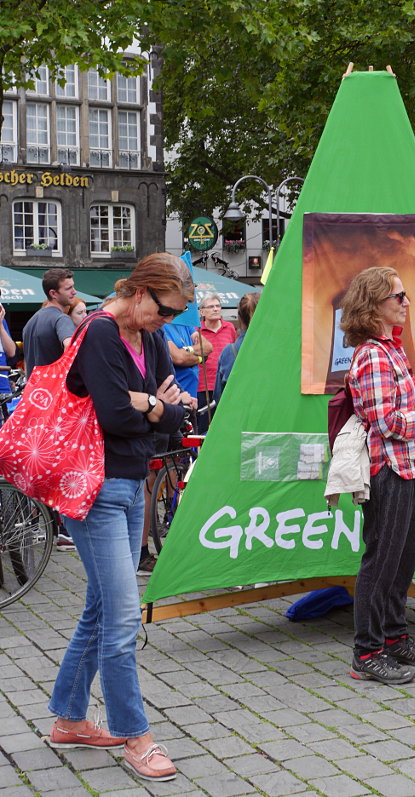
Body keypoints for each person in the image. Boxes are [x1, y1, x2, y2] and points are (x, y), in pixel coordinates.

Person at [47, 253, 192, 781]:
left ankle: (67, 719)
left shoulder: (149, 337)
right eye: (164, 309)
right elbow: (112, 414)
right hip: (95, 488)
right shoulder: (100, 333)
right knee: (124, 617)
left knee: (102, 606)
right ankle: (137, 737)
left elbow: (177, 414)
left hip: (133, 484)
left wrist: (150, 405)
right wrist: (154, 406)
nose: (166, 322)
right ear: (140, 292)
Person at [341, 266, 415, 685]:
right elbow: (387, 422)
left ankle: (394, 638)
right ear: (374, 305)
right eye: (399, 296)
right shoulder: (373, 354)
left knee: (402, 560)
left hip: (409, 465)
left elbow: (400, 414)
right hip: (388, 471)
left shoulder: (390, 349)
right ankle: (367, 652)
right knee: (381, 561)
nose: (407, 303)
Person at [22, 267, 76, 376]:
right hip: (55, 389)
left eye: (73, 286)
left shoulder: (30, 323)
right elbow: (70, 347)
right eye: (68, 288)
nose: (74, 291)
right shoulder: (62, 319)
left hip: (34, 390)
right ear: (53, 293)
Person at [162, 317, 211, 430]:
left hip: (191, 398)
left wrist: (187, 350)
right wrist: (200, 358)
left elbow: (207, 347)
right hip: (174, 397)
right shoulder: (162, 324)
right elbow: (178, 358)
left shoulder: (184, 323)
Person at [196, 292, 236, 431]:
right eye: (211, 306)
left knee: (226, 426)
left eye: (218, 306)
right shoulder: (197, 330)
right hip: (204, 387)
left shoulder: (229, 327)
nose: (215, 309)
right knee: (202, 428)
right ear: (202, 311)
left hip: (226, 385)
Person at [214, 292, 260, 403]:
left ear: (240, 317)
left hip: (237, 415)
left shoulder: (230, 351)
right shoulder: (280, 349)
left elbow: (218, 396)